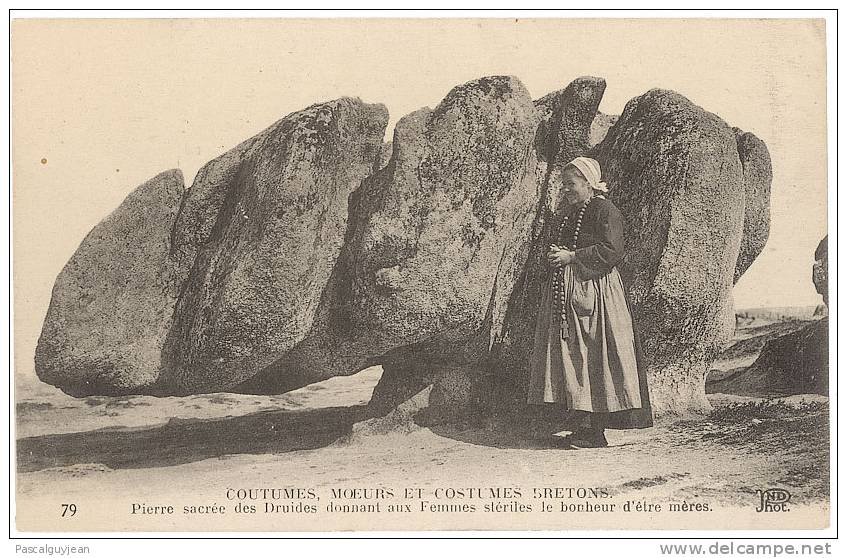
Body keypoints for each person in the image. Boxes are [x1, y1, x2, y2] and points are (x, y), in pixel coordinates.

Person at [528, 156, 653, 448]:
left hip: (597, 293)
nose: (566, 190)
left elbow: (612, 250)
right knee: (574, 358)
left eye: (571, 185)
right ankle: (583, 427)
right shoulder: (570, 212)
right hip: (568, 294)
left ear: (588, 182)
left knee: (596, 357)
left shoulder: (605, 210)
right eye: (564, 185)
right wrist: (555, 256)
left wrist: (573, 257)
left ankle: (596, 432)